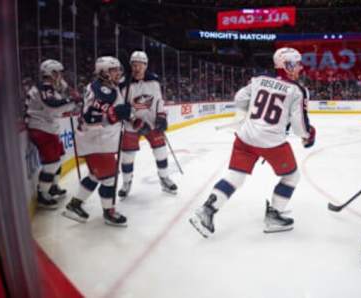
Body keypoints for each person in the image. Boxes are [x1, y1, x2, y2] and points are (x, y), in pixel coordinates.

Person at [189, 47, 316, 238]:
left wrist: (243, 117)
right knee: (291, 177)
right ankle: (274, 216)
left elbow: (240, 98)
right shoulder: (297, 90)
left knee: (234, 177)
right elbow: (300, 128)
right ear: (287, 65)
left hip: (245, 137)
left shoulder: (258, 80)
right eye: (296, 63)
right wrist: (309, 134)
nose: (300, 67)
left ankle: (207, 210)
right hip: (272, 143)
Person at [62, 56, 132, 227]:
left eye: (118, 70)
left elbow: (108, 110)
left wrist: (120, 114)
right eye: (114, 70)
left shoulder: (105, 88)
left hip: (97, 141)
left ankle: (74, 205)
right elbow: (91, 116)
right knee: (109, 177)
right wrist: (115, 114)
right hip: (95, 141)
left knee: (95, 175)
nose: (118, 73)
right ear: (104, 72)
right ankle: (109, 212)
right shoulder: (101, 89)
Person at [117, 51, 177, 198]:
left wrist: (162, 116)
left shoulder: (154, 80)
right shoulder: (123, 83)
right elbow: (120, 108)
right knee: (127, 156)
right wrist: (134, 121)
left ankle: (164, 178)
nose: (137, 68)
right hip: (132, 125)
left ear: (145, 65)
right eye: (134, 64)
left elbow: (158, 101)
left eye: (140, 64)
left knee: (161, 151)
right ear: (130, 65)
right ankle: (126, 182)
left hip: (151, 123)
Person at [26, 59, 81, 209]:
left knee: (60, 157)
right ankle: (43, 195)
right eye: (58, 72)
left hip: (48, 127)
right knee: (51, 163)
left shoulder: (50, 86)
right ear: (51, 73)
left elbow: (59, 101)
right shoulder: (45, 87)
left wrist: (71, 98)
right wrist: (72, 100)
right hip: (41, 128)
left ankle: (52, 186)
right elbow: (53, 108)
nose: (60, 75)